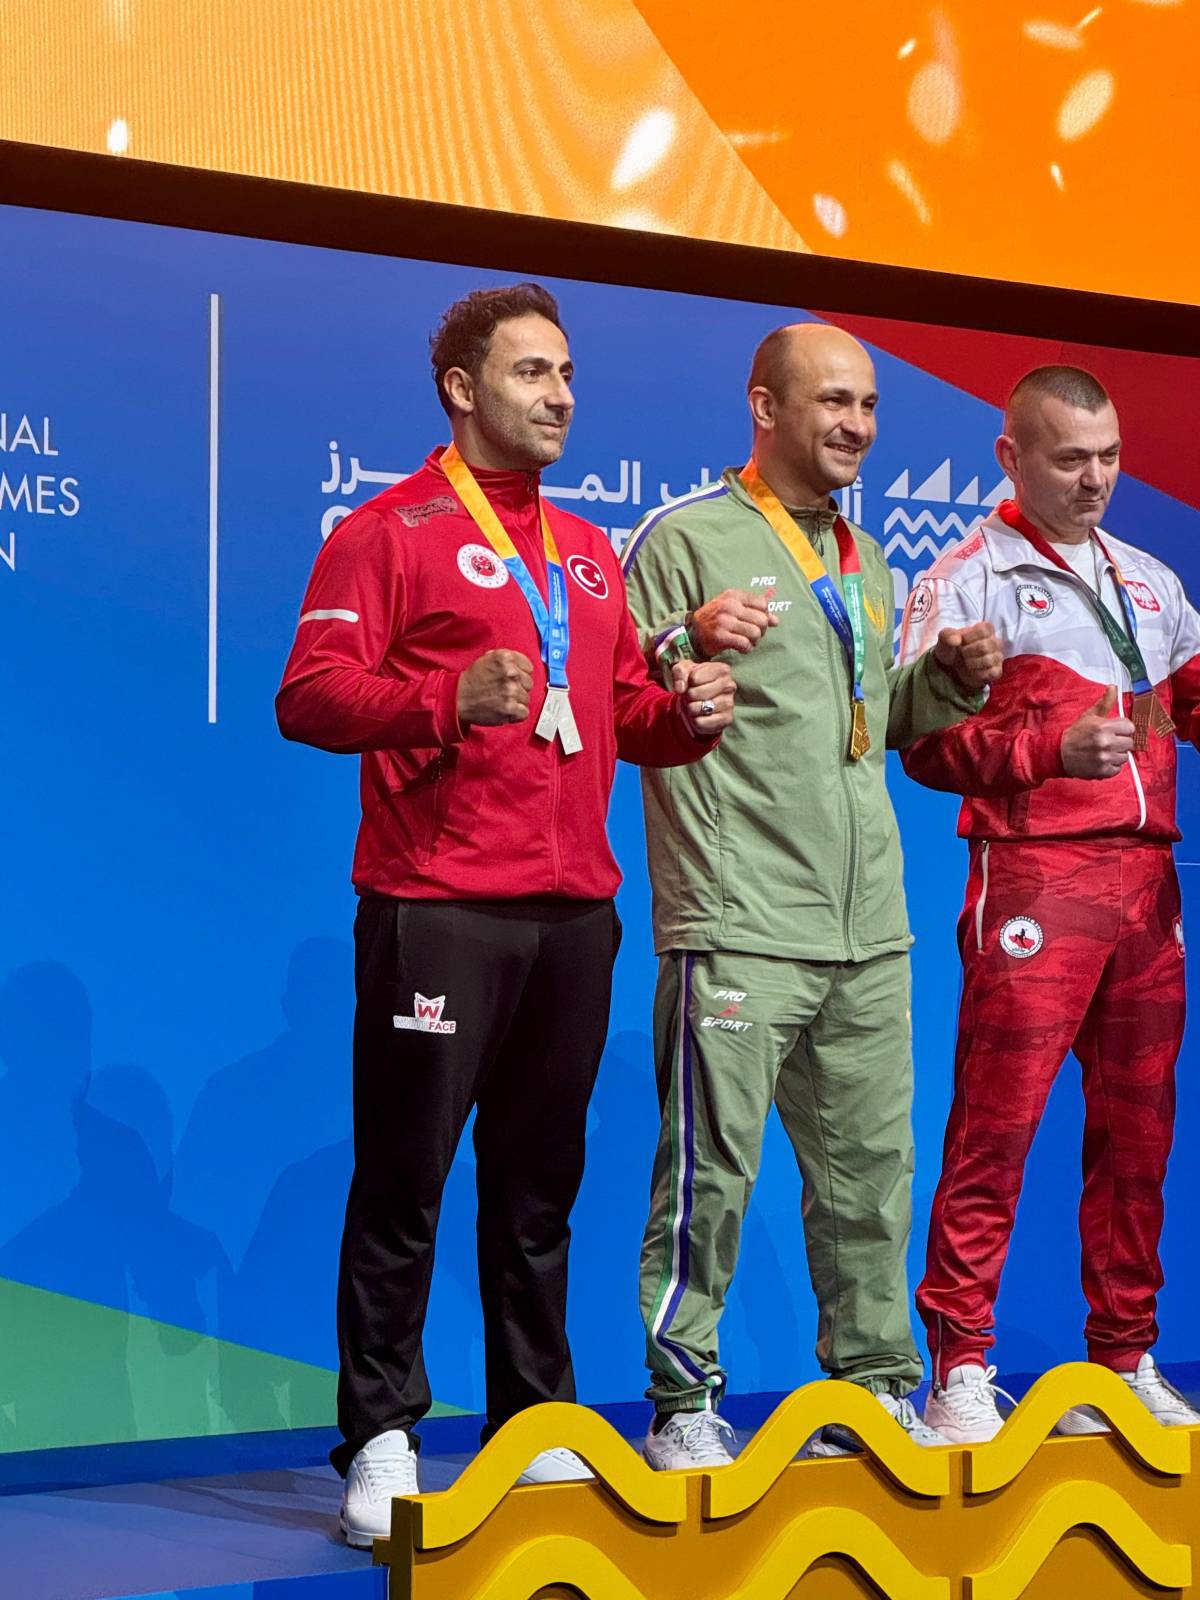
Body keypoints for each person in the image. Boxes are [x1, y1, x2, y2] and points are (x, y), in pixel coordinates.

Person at [276, 282, 735, 1544]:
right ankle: (382, 1437)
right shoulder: (388, 531)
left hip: (574, 916)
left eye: (568, 373)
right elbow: (309, 694)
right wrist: (443, 699)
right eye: (533, 372)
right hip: (439, 910)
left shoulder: (588, 549)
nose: (561, 395)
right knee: (406, 1183)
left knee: (541, 1191)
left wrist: (684, 717)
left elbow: (621, 710)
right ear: (461, 388)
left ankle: (534, 1425)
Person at [620, 321, 1002, 1469]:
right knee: (709, 1180)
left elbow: (864, 724)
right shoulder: (685, 538)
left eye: (870, 404)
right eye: (834, 400)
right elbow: (614, 677)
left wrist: (941, 683)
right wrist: (683, 636)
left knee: (873, 1181)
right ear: (765, 407)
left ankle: (874, 1390)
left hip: (867, 925)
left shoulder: (865, 556)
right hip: (739, 914)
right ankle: (685, 1400)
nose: (857, 424)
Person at [898, 365, 1200, 1442]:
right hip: (1035, 877)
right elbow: (923, 746)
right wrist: (1046, 748)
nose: (1096, 478)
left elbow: (1187, 705)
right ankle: (960, 1365)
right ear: (1011, 456)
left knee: (1139, 1137)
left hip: (1147, 887)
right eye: (1071, 458)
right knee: (996, 1126)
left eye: (1109, 456)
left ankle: (1123, 1356)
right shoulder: (966, 579)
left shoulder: (1150, 579)